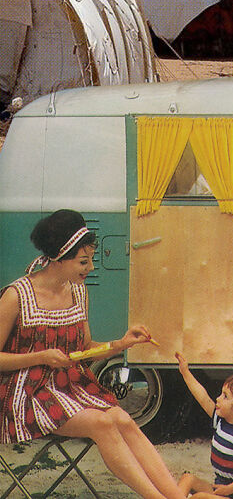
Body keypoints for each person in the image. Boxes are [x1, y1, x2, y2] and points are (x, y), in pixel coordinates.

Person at [0, 209, 183, 499]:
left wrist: (121, 344)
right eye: (83, 261)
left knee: (121, 418)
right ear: (59, 257)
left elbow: (84, 350)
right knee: (102, 422)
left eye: (91, 260)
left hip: (70, 387)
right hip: (26, 394)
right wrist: (40, 357)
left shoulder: (79, 291)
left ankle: (175, 497)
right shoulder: (16, 295)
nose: (90, 268)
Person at [175, 354, 233, 499]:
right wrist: (185, 372)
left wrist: (228, 490)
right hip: (220, 488)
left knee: (200, 497)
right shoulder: (221, 422)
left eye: (225, 396)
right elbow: (202, 397)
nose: (218, 398)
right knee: (187, 478)